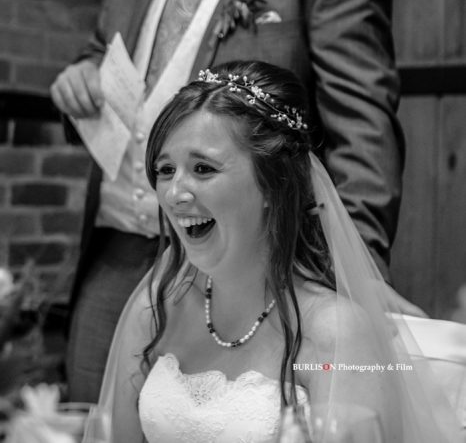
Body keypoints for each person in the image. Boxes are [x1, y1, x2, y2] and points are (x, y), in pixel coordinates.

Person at [50, 0, 414, 403]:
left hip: (248, 271)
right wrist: (83, 69)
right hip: (114, 255)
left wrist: (341, 286)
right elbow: (107, 44)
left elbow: (363, 139)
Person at [96, 61, 462, 443]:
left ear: (273, 184)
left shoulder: (335, 333)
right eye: (165, 170)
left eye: (203, 168)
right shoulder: (159, 299)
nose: (174, 193)